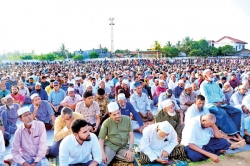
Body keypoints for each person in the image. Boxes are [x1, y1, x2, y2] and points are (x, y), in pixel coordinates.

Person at [200, 69, 243, 141]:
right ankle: (232, 133)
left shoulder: (215, 84)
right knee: (223, 114)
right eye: (210, 73)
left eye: (212, 73)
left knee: (237, 111)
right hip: (211, 105)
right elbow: (207, 99)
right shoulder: (203, 85)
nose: (212, 74)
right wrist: (220, 100)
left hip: (221, 104)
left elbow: (222, 94)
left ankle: (235, 132)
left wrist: (222, 100)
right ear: (205, 76)